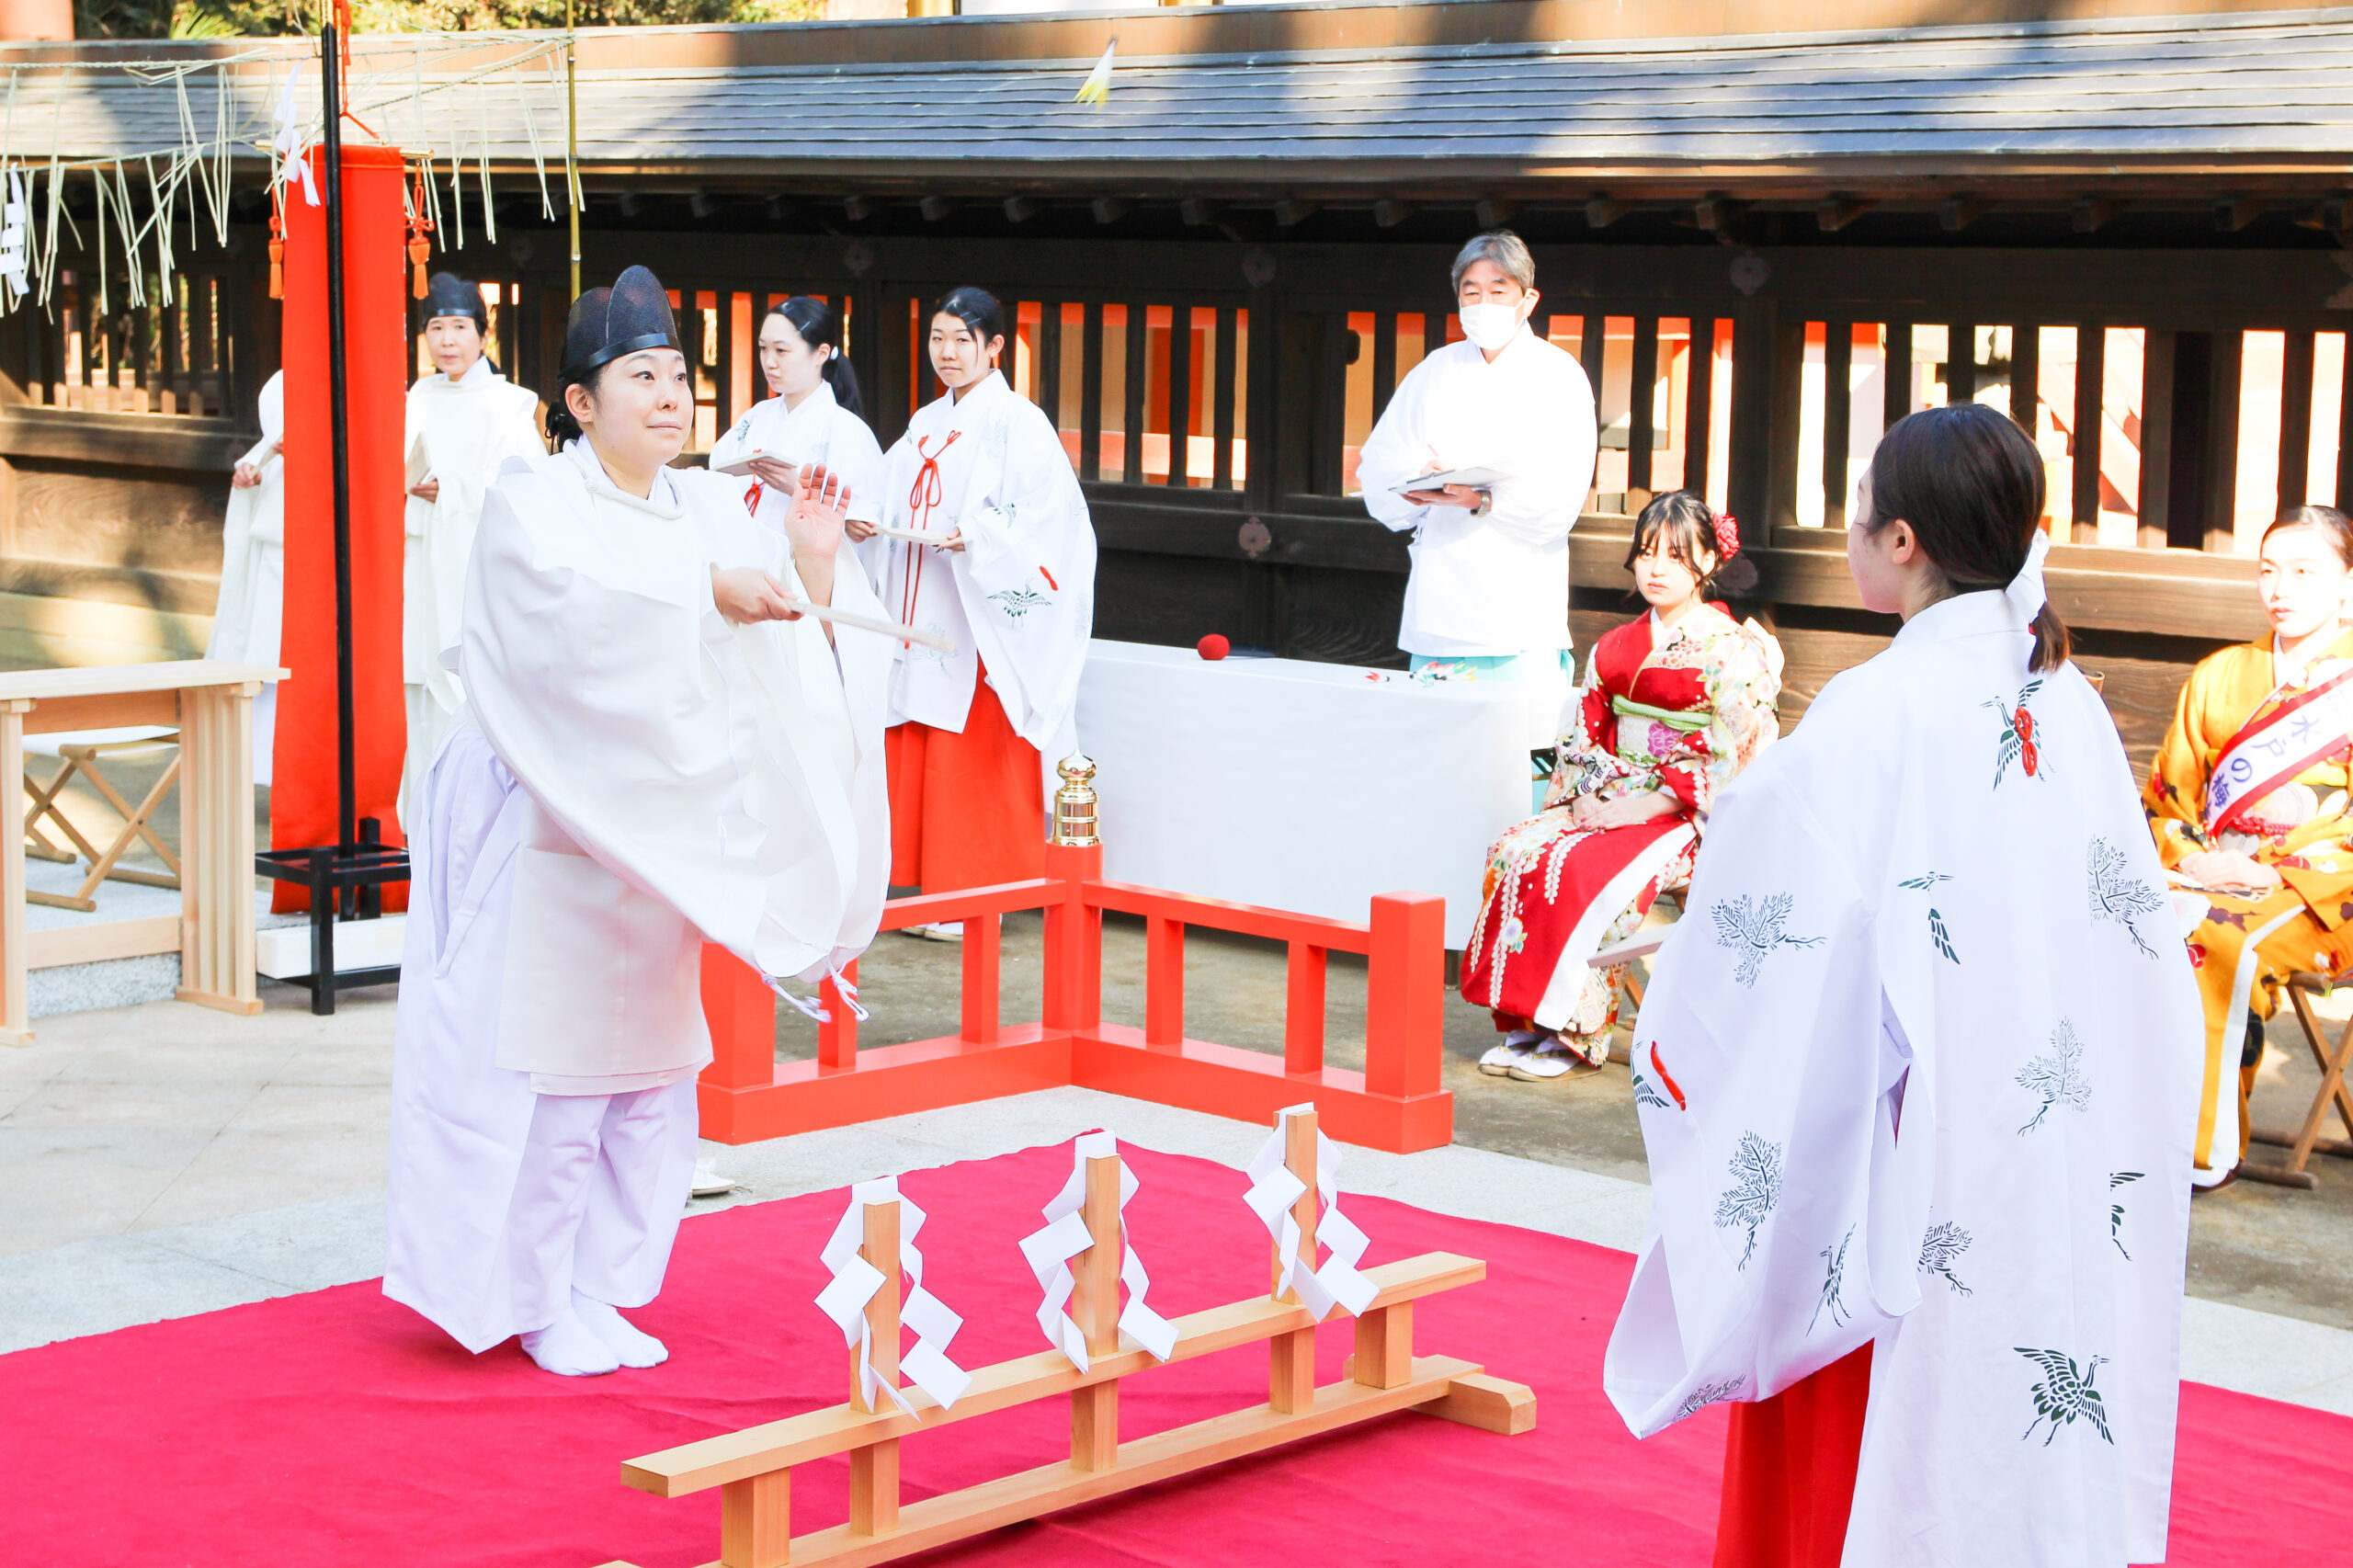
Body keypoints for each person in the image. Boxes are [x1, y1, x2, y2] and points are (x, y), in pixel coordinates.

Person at [1604, 403, 2201, 1567]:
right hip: (2040, 1143)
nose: (1851, 524)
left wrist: (1704, 945)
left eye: (1863, 503)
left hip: (1905, 1144)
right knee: (2020, 1386)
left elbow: (1779, 934)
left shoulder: (1878, 709)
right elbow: (2130, 954)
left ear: (1906, 541)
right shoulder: (2065, 701)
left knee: (1883, 1428)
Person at [382, 266, 892, 1378]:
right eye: (641, 376)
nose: (671, 396)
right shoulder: (534, 500)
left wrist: (808, 560)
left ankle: (602, 1285)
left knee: (647, 1084)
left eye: (678, 376)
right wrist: (703, 599)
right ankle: (531, 1293)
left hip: (660, 830)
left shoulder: (708, 502)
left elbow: (775, 638)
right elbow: (564, 634)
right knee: (555, 1084)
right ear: (580, 403)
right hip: (554, 824)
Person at [1459, 492, 1781, 1082]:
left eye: (1676, 557)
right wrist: (1584, 793)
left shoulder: (1736, 650)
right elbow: (1584, 726)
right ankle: (1526, 1021)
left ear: (1709, 562)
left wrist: (1652, 800)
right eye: (1647, 553)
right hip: (1606, 790)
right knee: (1517, 849)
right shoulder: (1613, 645)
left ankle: (1575, 1033)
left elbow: (1735, 745)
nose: (1656, 568)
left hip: (1682, 808)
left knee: (1589, 870)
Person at [871, 286, 1096, 935]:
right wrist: (864, 520)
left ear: (996, 347)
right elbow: (887, 491)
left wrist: (982, 537)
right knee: (922, 735)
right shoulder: (924, 422)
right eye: (938, 338)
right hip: (926, 597)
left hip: (978, 609)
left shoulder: (1020, 421)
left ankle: (976, 896)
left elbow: (1051, 514)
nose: (947, 352)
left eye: (962, 339)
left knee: (970, 749)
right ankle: (934, 889)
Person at [2144, 504, 2353, 1188]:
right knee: (2127, 918)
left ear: (2348, 583)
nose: (2281, 589)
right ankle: (2125, 1123)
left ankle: (2201, 1147)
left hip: (2321, 892)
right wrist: (2191, 854)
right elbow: (2170, 793)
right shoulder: (2221, 673)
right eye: (2269, 571)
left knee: (2221, 941)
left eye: (2304, 572)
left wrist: (2266, 871)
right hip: (2209, 869)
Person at [1354, 229, 1597, 728]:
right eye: (1471, 291)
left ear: (1528, 300)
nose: (1483, 301)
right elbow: (1378, 464)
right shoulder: (1435, 370)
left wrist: (1480, 499)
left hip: (1518, 611)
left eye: (1498, 290)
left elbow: (1561, 496)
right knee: (1436, 753)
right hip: (1442, 604)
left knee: (1515, 759)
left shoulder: (1558, 374)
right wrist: (1418, 482)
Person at [398, 271, 545, 835]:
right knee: (422, 697)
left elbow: (520, 484)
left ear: (483, 334)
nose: (447, 340)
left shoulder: (510, 404)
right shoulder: (418, 397)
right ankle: (422, 829)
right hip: (422, 563)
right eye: (436, 328)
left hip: (473, 568)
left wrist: (455, 487)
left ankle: (479, 826)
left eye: (460, 326)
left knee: (473, 688)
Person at [708, 296, 886, 561]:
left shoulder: (848, 431)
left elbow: (865, 518)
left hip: (804, 570)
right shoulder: (755, 417)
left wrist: (798, 489)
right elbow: (718, 471)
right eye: (763, 348)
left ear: (821, 353)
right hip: (744, 563)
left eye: (781, 351)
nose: (769, 361)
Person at [205, 369, 286, 783]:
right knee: (266, 655)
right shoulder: (280, 382)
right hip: (278, 551)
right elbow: (267, 448)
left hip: (325, 547)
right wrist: (250, 473)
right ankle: (263, 767)